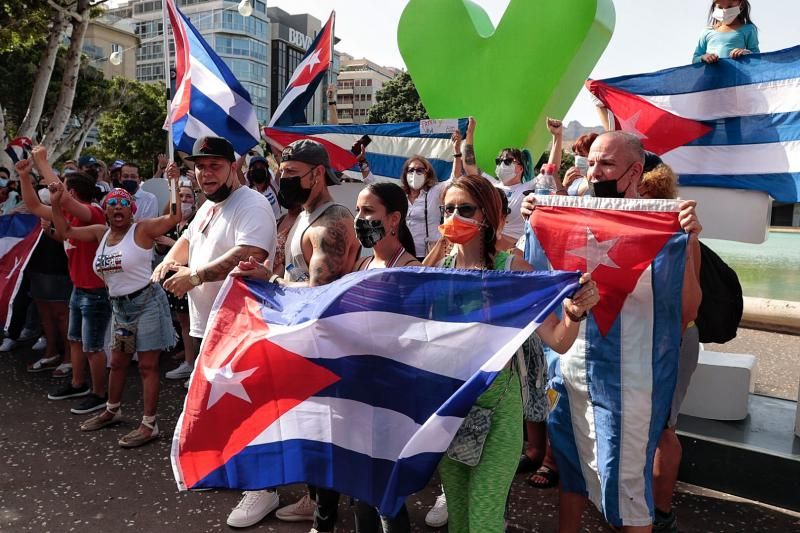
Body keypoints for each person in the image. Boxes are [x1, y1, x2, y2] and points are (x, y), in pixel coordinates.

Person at [521, 131, 703, 533]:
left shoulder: (667, 224)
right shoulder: (569, 214)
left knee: (627, 489)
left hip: (628, 383)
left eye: (606, 164)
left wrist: (688, 239)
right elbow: (533, 278)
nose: (594, 171)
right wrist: (535, 218)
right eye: (591, 163)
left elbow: (689, 309)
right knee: (569, 468)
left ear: (635, 170)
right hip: (570, 371)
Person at [233, 182, 419, 533]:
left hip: (388, 401)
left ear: (394, 219)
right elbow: (323, 299)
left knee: (386, 499)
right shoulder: (363, 264)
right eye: (358, 212)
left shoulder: (409, 270)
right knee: (361, 496)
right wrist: (269, 280)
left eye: (368, 212)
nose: (359, 220)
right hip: (357, 397)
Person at [423, 174, 598, 533]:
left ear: (485, 215)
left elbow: (559, 341)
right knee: (458, 521)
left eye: (464, 208)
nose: (454, 215)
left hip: (500, 411)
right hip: (450, 412)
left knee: (484, 522)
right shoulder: (436, 272)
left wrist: (574, 314)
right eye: (448, 208)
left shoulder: (512, 271)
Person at [226, 139, 360, 532]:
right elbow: (295, 277)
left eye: (290, 175)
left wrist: (270, 280)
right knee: (306, 428)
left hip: (327, 343)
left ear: (317, 175)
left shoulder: (332, 221)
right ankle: (315, 499)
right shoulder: (303, 214)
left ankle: (325, 520)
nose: (282, 181)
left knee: (324, 433)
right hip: (302, 338)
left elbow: (322, 293)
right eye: (281, 174)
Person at [151, 136, 276, 529]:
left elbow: (249, 253)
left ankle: (265, 488)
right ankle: (234, 471)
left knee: (251, 407)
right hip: (211, 326)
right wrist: (170, 264)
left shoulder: (251, 203)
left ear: (233, 166)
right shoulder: (208, 205)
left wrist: (197, 275)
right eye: (200, 167)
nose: (206, 173)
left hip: (241, 325)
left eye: (214, 166)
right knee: (223, 405)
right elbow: (186, 241)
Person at [50, 184, 180, 445]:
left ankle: (149, 425)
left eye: (123, 203)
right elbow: (64, 231)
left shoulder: (141, 230)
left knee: (147, 366)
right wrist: (55, 203)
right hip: (120, 309)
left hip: (147, 305)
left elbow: (174, 218)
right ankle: (112, 409)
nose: (117, 206)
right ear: (106, 211)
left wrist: (174, 183)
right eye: (111, 203)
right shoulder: (100, 233)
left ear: (132, 211)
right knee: (118, 362)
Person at [18, 147, 112, 415]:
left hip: (95, 291)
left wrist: (42, 162)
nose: (53, 192)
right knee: (75, 340)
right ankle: (78, 383)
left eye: (61, 190)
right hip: (78, 288)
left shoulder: (91, 212)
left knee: (92, 346)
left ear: (72, 193)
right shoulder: (66, 215)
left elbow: (59, 193)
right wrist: (25, 176)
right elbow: (35, 206)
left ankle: (99, 394)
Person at [636, 164, 702, 533]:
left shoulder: (680, 232)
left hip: (672, 339)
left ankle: (661, 514)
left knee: (664, 428)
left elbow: (687, 309)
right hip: (646, 339)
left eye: (642, 196)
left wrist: (688, 239)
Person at [462, 116, 565, 242]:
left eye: (507, 161)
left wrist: (557, 136)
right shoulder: (492, 186)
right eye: (498, 161)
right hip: (492, 250)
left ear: (520, 168)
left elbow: (551, 169)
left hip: (517, 251)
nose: (501, 164)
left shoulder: (528, 188)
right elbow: (469, 166)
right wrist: (470, 133)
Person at [158, 185, 197, 383]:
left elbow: (195, 250)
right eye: (180, 196)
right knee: (183, 322)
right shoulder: (173, 226)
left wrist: (170, 243)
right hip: (174, 282)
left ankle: (195, 365)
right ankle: (189, 362)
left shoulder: (197, 224)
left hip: (192, 281)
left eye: (188, 196)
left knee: (194, 323)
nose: (184, 200)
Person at [693, 0, 758, 64]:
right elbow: (695, 59)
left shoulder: (748, 29)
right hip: (710, 75)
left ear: (741, 5)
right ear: (715, 6)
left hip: (735, 74)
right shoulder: (707, 31)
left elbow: (757, 58)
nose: (724, 11)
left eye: (730, 6)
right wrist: (703, 57)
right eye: (720, 7)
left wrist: (746, 54)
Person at [247, 155, 281, 221]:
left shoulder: (274, 184)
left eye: (262, 167)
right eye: (255, 167)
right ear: (250, 172)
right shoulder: (246, 189)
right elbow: (237, 168)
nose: (258, 169)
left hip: (277, 225)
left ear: (266, 171)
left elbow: (281, 165)